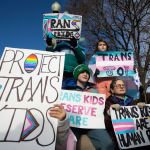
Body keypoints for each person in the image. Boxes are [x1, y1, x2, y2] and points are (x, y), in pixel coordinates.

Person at [63, 64, 115, 150]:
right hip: (74, 124)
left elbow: (102, 106)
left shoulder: (94, 90)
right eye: (82, 72)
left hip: (92, 124)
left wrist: (109, 110)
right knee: (68, 145)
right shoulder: (68, 90)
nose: (85, 74)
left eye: (87, 72)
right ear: (76, 75)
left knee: (107, 144)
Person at [104, 78, 147, 150]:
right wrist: (109, 113)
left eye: (123, 85)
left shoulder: (133, 102)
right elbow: (105, 124)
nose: (121, 87)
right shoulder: (107, 103)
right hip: (118, 139)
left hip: (136, 138)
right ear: (112, 90)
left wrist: (142, 109)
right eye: (118, 85)